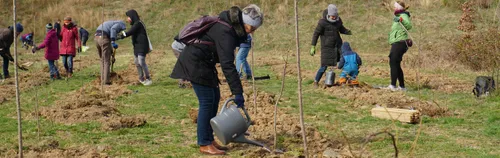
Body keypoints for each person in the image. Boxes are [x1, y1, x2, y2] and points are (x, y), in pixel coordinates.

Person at [170, 4, 264, 155]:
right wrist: (237, 92)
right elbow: (227, 64)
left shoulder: (230, 27)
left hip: (205, 63)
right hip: (196, 63)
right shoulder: (226, 31)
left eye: (254, 29)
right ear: (243, 22)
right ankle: (204, 143)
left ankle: (209, 138)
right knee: (207, 102)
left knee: (214, 97)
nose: (252, 32)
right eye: (251, 28)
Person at [310, 4, 352, 88]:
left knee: (344, 62)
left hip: (338, 46)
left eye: (335, 16)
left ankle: (344, 81)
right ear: (328, 14)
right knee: (324, 66)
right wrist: (313, 46)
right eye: (332, 16)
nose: (333, 18)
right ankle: (316, 81)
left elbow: (341, 29)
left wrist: (347, 31)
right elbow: (316, 34)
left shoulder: (338, 21)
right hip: (327, 47)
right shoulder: (322, 23)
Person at [117, 9, 153, 86]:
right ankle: (141, 78)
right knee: (137, 62)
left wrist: (121, 36)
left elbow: (130, 32)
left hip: (142, 45)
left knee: (141, 61)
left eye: (128, 17)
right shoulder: (135, 24)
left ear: (132, 16)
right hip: (136, 46)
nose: (127, 19)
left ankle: (148, 78)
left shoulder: (138, 24)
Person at [387, 1, 412, 91]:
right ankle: (402, 86)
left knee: (393, 62)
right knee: (396, 64)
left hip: (400, 43)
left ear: (399, 8)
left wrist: (401, 20)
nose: (394, 8)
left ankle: (393, 85)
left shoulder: (403, 15)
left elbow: (409, 25)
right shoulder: (397, 16)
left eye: (395, 7)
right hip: (396, 42)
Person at [95, 20, 126, 85]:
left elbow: (107, 43)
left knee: (102, 60)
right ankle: (106, 81)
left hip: (96, 38)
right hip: (103, 37)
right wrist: (113, 42)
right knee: (106, 61)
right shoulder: (120, 24)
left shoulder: (109, 24)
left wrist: (112, 54)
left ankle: (102, 79)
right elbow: (113, 29)